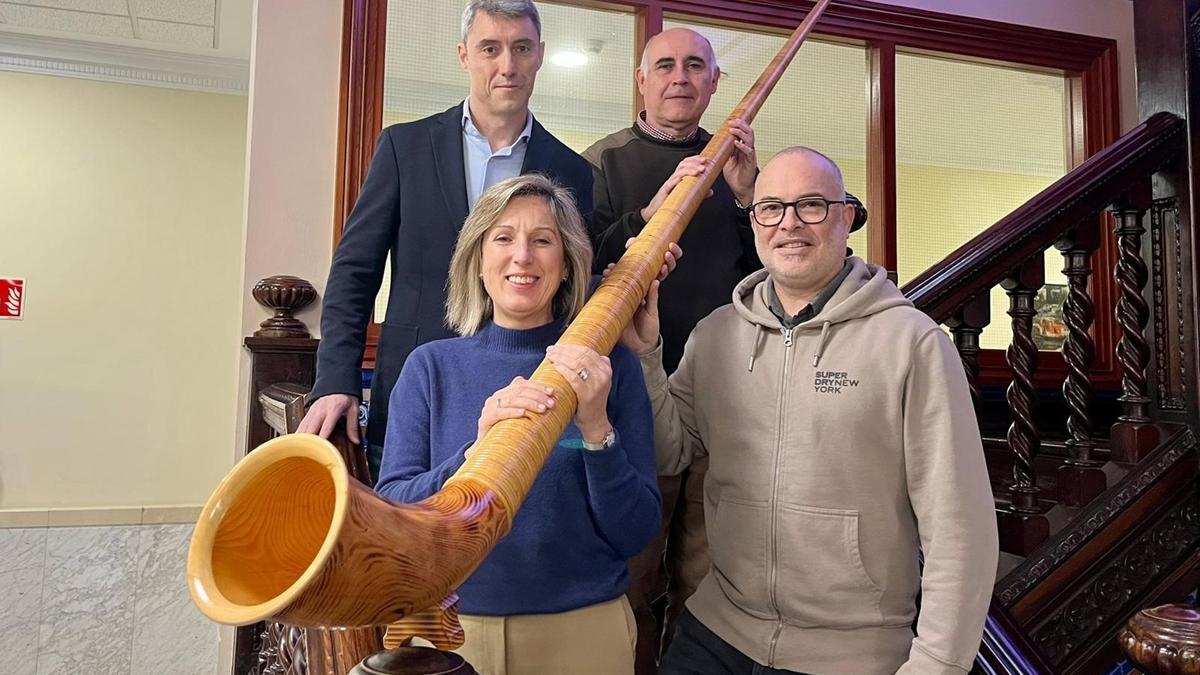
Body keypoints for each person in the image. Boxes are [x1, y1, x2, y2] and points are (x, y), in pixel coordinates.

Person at [621, 147, 998, 674]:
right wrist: (644, 354)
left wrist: (938, 663)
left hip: (850, 655)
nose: (789, 223)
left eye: (812, 205)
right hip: (715, 634)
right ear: (755, 221)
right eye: (771, 207)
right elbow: (671, 450)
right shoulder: (716, 335)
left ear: (846, 217)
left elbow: (960, 526)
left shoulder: (912, 344)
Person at [376, 173, 661, 674]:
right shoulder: (430, 368)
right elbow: (393, 515)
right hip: (450, 631)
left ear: (567, 264)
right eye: (503, 238)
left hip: (584, 634)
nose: (522, 257)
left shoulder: (608, 367)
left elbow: (636, 532)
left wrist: (597, 430)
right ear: (477, 260)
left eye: (543, 241)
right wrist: (475, 455)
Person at [300, 0, 593, 480]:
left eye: (521, 48)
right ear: (464, 55)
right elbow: (355, 270)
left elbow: (572, 285)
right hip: (414, 395)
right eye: (490, 48)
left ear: (539, 54)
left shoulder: (572, 171)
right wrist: (336, 379)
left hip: (527, 397)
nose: (508, 65)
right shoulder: (404, 147)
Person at [583, 28, 761, 672]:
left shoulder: (740, 169)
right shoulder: (600, 162)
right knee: (632, 578)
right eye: (664, 65)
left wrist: (748, 198)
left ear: (714, 82)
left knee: (708, 582)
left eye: (694, 66)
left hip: (726, 400)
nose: (679, 77)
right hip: (632, 400)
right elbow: (578, 273)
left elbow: (774, 277)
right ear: (641, 81)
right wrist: (648, 216)